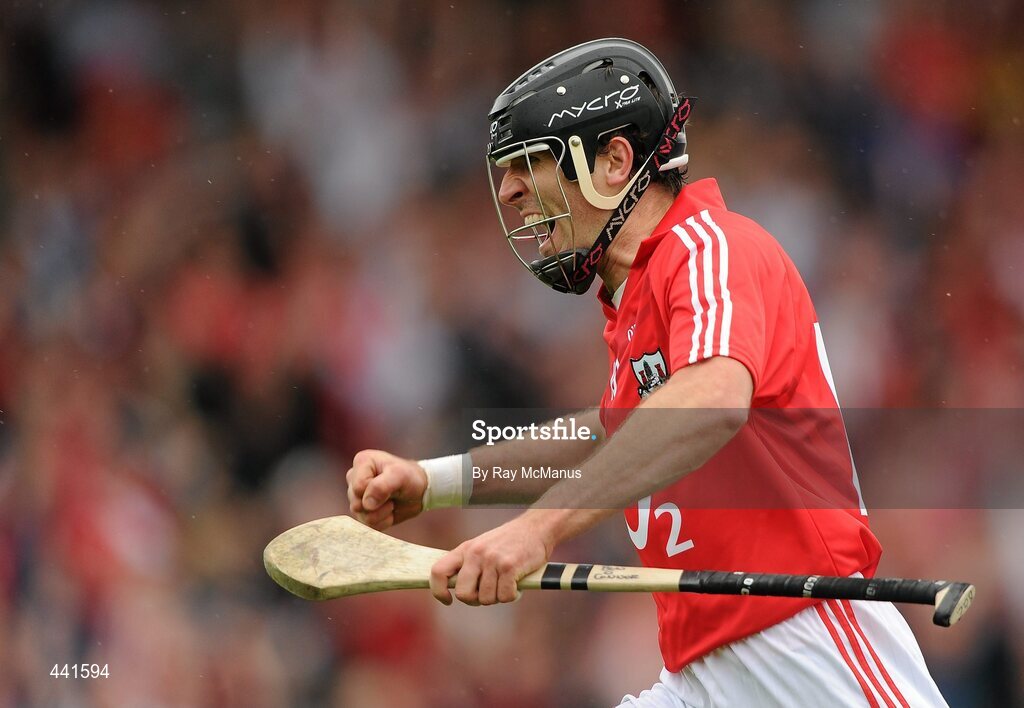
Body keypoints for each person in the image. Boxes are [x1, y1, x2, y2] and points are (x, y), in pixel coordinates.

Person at [347, 38, 948, 706]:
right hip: (700, 675)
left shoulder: (712, 248)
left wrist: (537, 529)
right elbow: (614, 440)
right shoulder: (636, 301)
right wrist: (433, 482)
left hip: (808, 650)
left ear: (613, 161)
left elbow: (712, 401)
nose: (512, 193)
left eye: (531, 164)